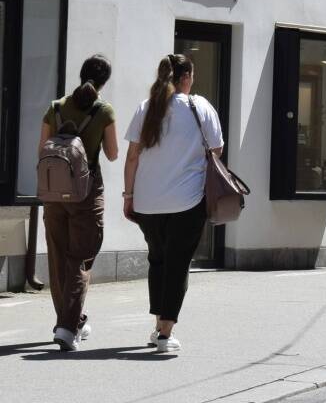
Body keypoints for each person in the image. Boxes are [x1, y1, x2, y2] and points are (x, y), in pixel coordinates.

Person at [122, 54, 224, 354]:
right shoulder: (199, 107)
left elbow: (132, 157)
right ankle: (165, 332)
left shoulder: (146, 108)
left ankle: (158, 326)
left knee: (158, 261)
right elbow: (216, 149)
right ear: (187, 78)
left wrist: (129, 196)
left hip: (148, 202)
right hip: (187, 201)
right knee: (177, 265)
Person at [39, 55, 118, 352]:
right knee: (81, 258)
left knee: (59, 259)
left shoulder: (56, 107)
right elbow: (111, 154)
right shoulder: (103, 111)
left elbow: (41, 149)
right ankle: (68, 327)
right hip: (85, 192)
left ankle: (71, 320)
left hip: (54, 193)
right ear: (104, 82)